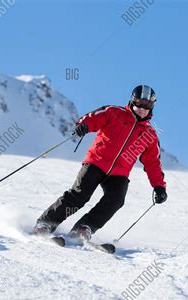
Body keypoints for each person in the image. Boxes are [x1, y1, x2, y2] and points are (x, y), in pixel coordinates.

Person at [33, 84, 167, 242]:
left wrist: (159, 186)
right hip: (96, 162)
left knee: (116, 200)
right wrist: (83, 126)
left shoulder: (149, 134)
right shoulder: (113, 112)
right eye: (139, 103)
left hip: (119, 173)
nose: (142, 108)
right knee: (79, 196)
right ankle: (45, 223)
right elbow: (93, 118)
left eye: (147, 105)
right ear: (132, 101)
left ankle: (84, 228)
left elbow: (153, 163)